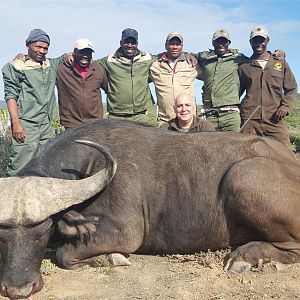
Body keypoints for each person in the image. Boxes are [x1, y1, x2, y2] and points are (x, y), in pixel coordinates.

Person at [1, 29, 65, 176]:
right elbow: (10, 96)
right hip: (26, 124)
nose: (42, 51)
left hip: (46, 125)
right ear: (28, 45)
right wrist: (16, 123)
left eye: (45, 48)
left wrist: (69, 54)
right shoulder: (15, 67)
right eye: (38, 46)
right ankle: (11, 197)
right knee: (19, 166)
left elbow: (66, 57)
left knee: (46, 165)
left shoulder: (50, 65)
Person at [239, 25, 297, 149]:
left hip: (274, 118)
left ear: (267, 41)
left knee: (285, 153)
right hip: (250, 119)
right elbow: (236, 91)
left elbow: (291, 88)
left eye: (262, 40)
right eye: (255, 40)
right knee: (248, 155)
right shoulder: (244, 66)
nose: (259, 43)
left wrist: (285, 107)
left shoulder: (280, 63)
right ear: (250, 42)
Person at [97, 28, 157, 124]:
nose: (130, 45)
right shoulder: (109, 60)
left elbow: (166, 57)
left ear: (137, 44)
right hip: (115, 116)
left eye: (133, 42)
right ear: (121, 43)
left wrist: (188, 55)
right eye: (126, 42)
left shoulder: (147, 58)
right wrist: (66, 57)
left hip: (140, 116)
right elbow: (89, 64)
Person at [194, 29, 248, 132]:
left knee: (234, 146)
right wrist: (189, 57)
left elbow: (256, 60)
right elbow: (186, 55)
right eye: (218, 41)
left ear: (229, 43)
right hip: (210, 115)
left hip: (231, 116)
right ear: (213, 43)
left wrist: (278, 54)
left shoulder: (238, 58)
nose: (221, 44)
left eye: (224, 41)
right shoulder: (204, 57)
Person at [149, 32, 201, 126]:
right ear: (166, 46)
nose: (175, 47)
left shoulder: (191, 64)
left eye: (178, 44)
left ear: (182, 46)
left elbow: (210, 75)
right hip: (165, 122)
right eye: (172, 44)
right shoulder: (155, 66)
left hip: (188, 122)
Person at [56, 38, 108, 129]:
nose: (85, 56)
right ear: (75, 52)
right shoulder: (62, 69)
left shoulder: (99, 69)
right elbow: (43, 63)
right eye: (82, 52)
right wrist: (23, 56)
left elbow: (110, 90)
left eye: (88, 52)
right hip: (71, 124)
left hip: (94, 123)